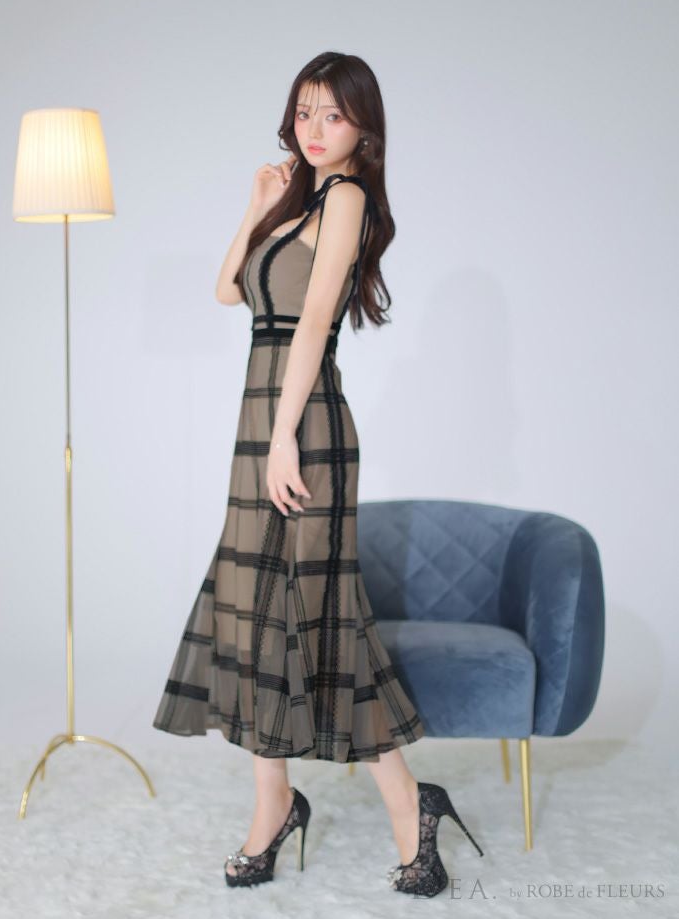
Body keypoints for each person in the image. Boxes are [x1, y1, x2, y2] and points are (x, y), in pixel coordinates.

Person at [152, 52, 484, 897]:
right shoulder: (298, 201)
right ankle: (274, 802)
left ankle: (411, 807)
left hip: (302, 425)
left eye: (332, 114)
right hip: (263, 422)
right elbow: (227, 291)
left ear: (362, 128)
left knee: (320, 616)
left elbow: (310, 328)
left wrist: (284, 438)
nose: (313, 128)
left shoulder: (348, 199)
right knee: (249, 609)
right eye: (304, 111)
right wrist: (256, 205)